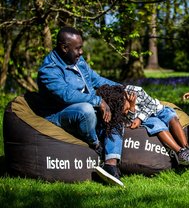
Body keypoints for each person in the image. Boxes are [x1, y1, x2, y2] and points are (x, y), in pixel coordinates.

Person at [37, 26, 124, 187]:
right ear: (64, 48)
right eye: (78, 48)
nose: (81, 52)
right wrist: (98, 101)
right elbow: (66, 95)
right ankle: (97, 144)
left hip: (89, 107)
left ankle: (111, 165)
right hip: (61, 112)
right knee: (86, 110)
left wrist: (123, 89)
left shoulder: (77, 61)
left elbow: (97, 80)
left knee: (116, 109)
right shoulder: (48, 70)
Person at [124, 84, 189, 165]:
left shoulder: (135, 90)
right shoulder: (118, 107)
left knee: (171, 116)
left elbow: (151, 105)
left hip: (156, 109)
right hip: (147, 118)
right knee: (158, 125)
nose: (125, 111)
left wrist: (139, 118)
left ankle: (187, 149)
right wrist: (131, 108)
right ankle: (180, 152)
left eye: (125, 108)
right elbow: (131, 122)